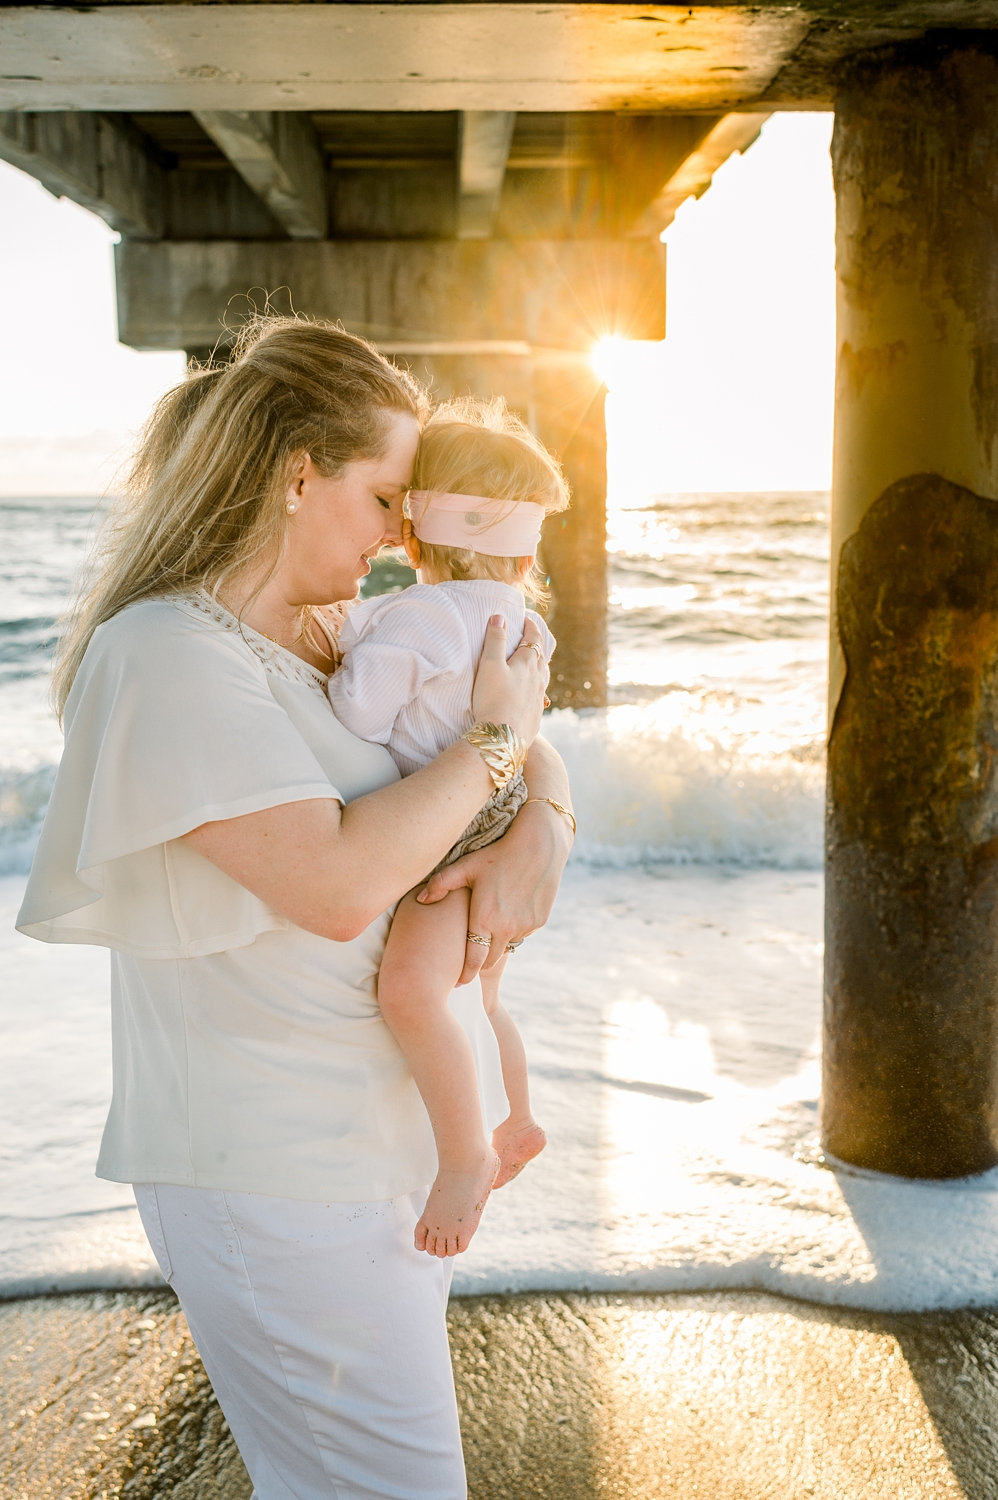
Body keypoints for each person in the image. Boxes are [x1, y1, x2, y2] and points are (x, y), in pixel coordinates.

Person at [15, 315, 574, 1500]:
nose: (402, 531)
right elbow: (333, 884)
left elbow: (510, 721)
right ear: (297, 472)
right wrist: (496, 756)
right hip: (275, 1169)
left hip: (368, 1161)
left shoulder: (320, 637)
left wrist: (547, 822)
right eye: (385, 496)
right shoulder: (167, 653)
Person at [329, 397, 572, 1259]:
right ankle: (516, 1118)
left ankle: (465, 1158)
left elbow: (361, 715)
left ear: (412, 535)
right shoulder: (526, 622)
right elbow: (527, 732)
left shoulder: (421, 616)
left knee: (411, 991)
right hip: (498, 811)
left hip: (452, 830)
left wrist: (345, 664)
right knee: (484, 993)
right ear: (527, 546)